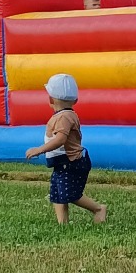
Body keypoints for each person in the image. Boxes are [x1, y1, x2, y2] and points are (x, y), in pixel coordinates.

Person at [22, 72, 106, 226]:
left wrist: (39, 150)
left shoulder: (64, 117)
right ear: (75, 99)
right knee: (57, 194)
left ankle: (98, 209)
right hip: (62, 164)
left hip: (72, 163)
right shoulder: (64, 115)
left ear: (50, 98)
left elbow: (61, 139)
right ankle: (63, 224)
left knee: (71, 194)